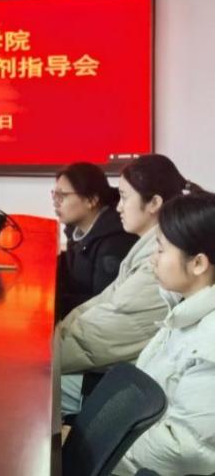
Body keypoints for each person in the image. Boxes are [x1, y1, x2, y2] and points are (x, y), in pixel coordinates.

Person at [57, 154, 200, 415]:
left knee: (33, 388)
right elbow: (104, 303)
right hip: (117, 370)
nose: (118, 207)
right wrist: (57, 335)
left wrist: (42, 356)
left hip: (121, 381)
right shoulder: (145, 247)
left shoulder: (162, 266)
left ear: (154, 203)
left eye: (124, 197)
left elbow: (105, 333)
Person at [113, 192, 215, 475]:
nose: (152, 260)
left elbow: (183, 448)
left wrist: (104, 445)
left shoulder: (210, 338)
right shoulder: (184, 307)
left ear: (198, 263)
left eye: (160, 250)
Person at [53, 162, 138, 318]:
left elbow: (102, 303)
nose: (55, 202)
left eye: (62, 196)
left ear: (91, 200)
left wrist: (54, 301)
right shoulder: (75, 229)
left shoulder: (114, 243)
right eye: (54, 195)